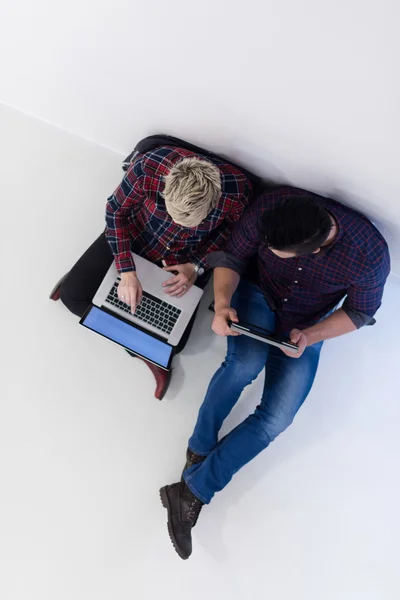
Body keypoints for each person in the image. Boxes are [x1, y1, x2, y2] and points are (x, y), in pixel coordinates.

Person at [160, 186, 390, 559]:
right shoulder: (273, 207)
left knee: (278, 419)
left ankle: (190, 492)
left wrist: (311, 336)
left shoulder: (369, 254)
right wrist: (220, 306)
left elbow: (360, 313)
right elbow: (233, 257)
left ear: (313, 250)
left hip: (310, 321)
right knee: (244, 365)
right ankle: (198, 451)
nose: (269, 251)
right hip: (259, 295)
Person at [58, 146, 253, 353]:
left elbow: (231, 234)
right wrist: (126, 271)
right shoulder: (147, 167)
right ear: (165, 186)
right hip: (135, 235)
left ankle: (137, 345)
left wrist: (196, 266)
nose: (178, 225)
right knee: (71, 297)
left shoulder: (237, 192)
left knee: (173, 346)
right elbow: (115, 210)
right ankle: (139, 348)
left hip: (182, 259)